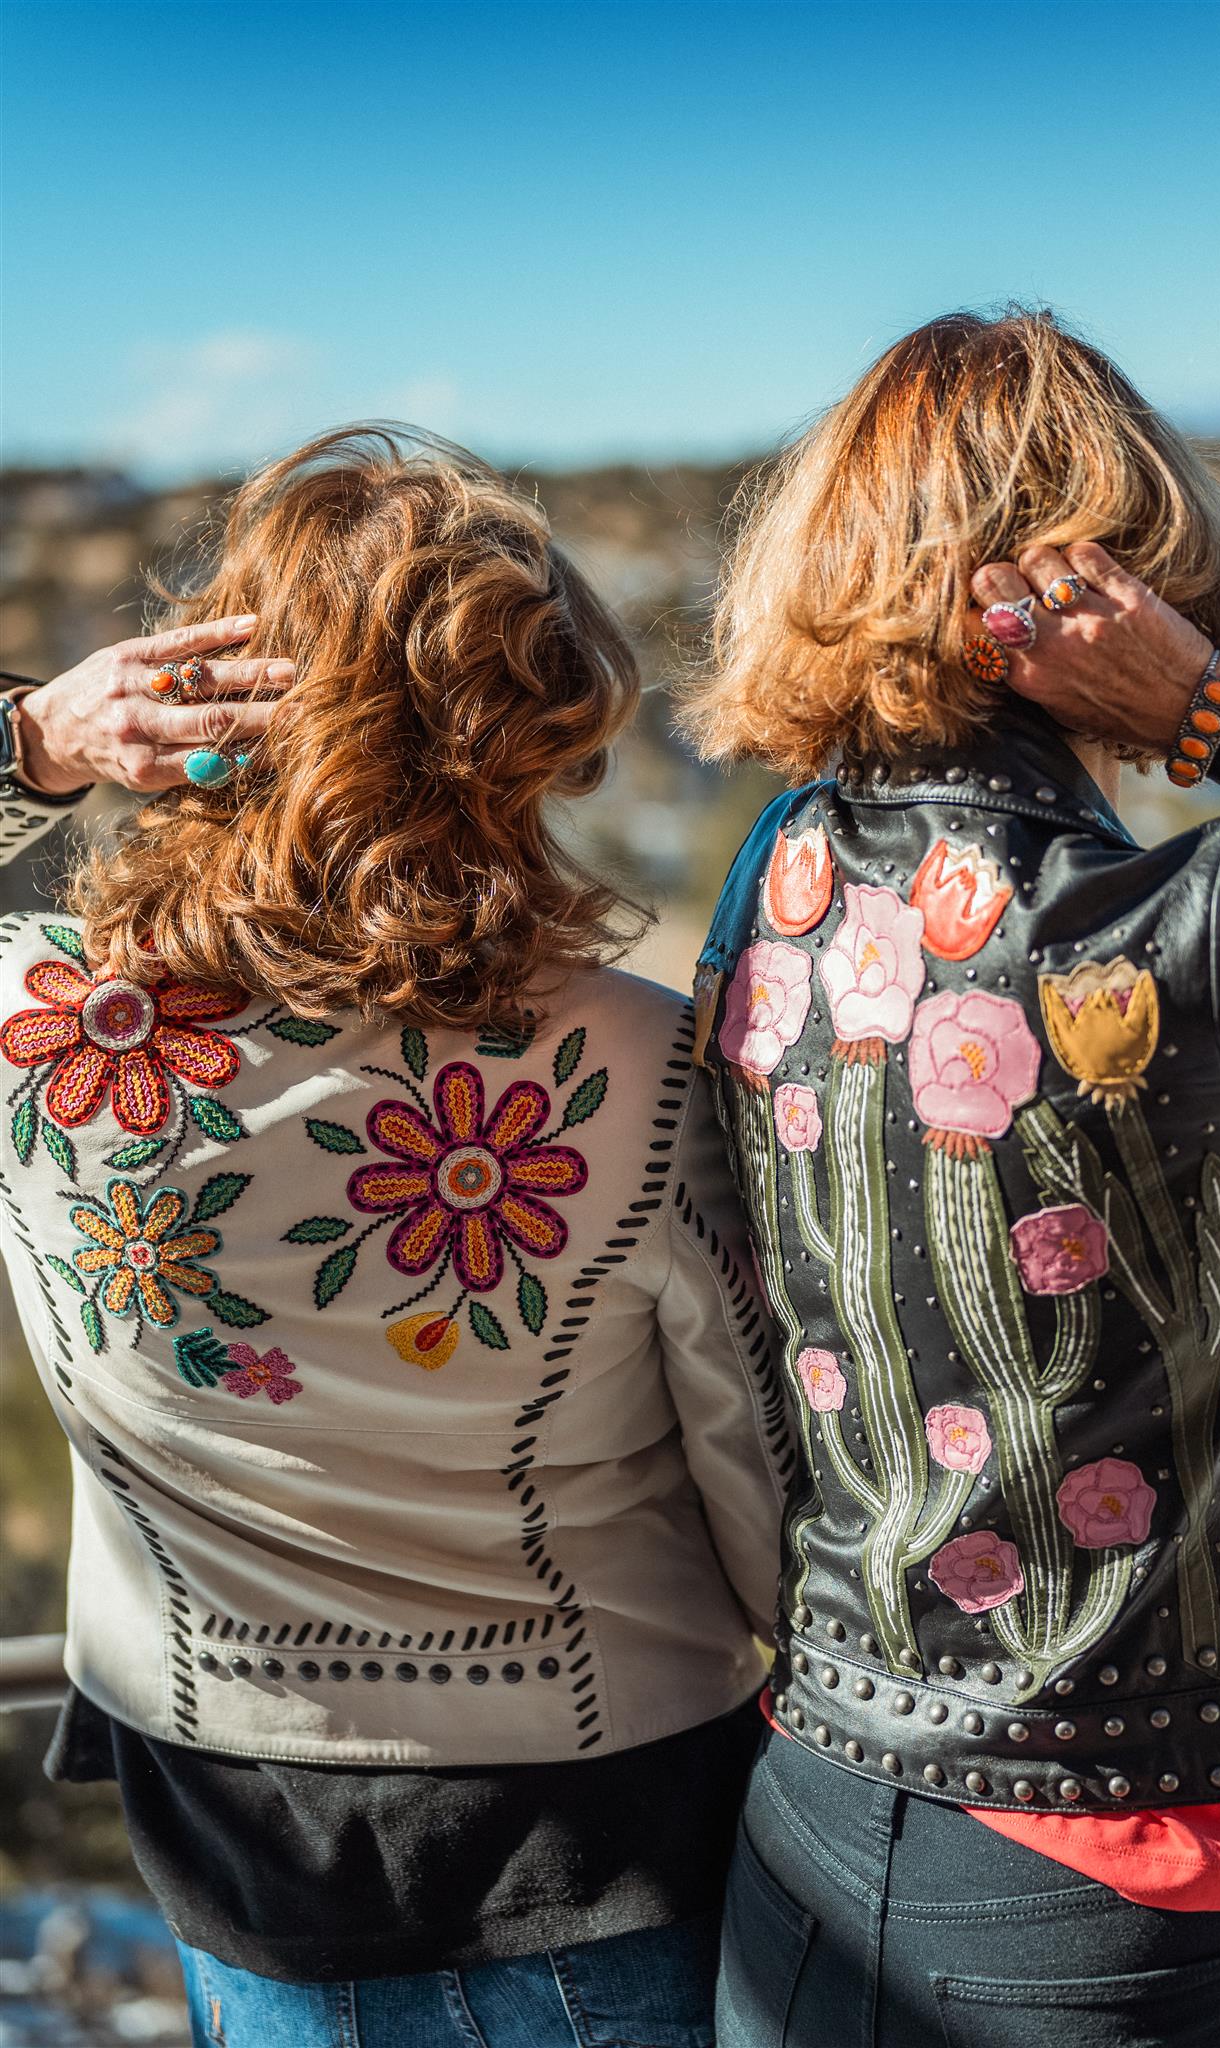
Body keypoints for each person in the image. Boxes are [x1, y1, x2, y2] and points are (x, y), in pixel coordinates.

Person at [0, 427, 791, 2048]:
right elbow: (770, 1489)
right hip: (612, 1829)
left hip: (234, 1841)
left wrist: (35, 740)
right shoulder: (650, 1060)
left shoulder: (40, 1018)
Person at [687, 312, 1220, 2047]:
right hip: (1121, 1893)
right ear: (1128, 592)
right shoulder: (1193, 942)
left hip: (826, 1811)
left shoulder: (786, 869)